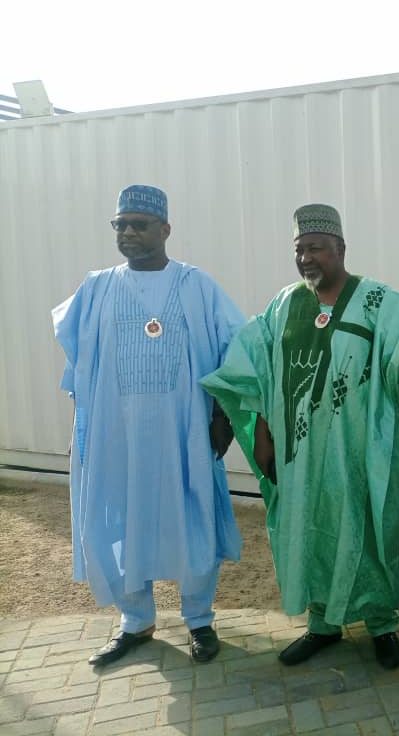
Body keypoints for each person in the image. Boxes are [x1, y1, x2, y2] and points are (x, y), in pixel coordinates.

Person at [201, 203, 399, 670]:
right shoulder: (285, 304)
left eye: (317, 248)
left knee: (368, 528)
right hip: (299, 454)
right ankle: (322, 622)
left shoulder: (376, 301)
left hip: (360, 450)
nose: (306, 258)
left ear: (340, 248)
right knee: (309, 527)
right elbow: (258, 367)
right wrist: (262, 432)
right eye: (299, 249)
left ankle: (381, 623)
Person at [52, 184, 244, 666]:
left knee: (195, 514)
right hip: (116, 436)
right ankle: (136, 621)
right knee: (121, 518)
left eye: (139, 224)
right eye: (120, 224)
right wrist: (81, 430)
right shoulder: (96, 288)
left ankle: (199, 619)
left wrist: (223, 416)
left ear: (165, 229)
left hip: (185, 431)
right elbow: (80, 367)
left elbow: (236, 349)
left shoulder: (196, 285)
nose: (128, 232)